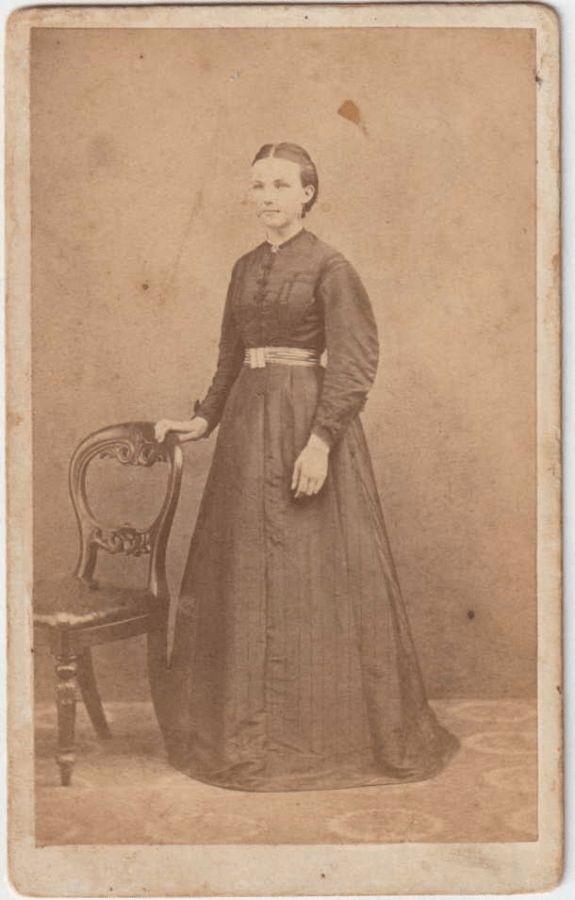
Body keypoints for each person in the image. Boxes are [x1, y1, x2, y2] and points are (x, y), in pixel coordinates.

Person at [153, 142, 459, 791]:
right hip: (245, 432)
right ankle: (244, 732)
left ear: (307, 194)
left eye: (281, 185)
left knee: (313, 579)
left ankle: (322, 733)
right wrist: (203, 420)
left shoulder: (330, 266)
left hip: (305, 427)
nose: (267, 196)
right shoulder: (243, 268)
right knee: (245, 576)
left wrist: (320, 441)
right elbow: (230, 355)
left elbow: (355, 361)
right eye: (258, 185)